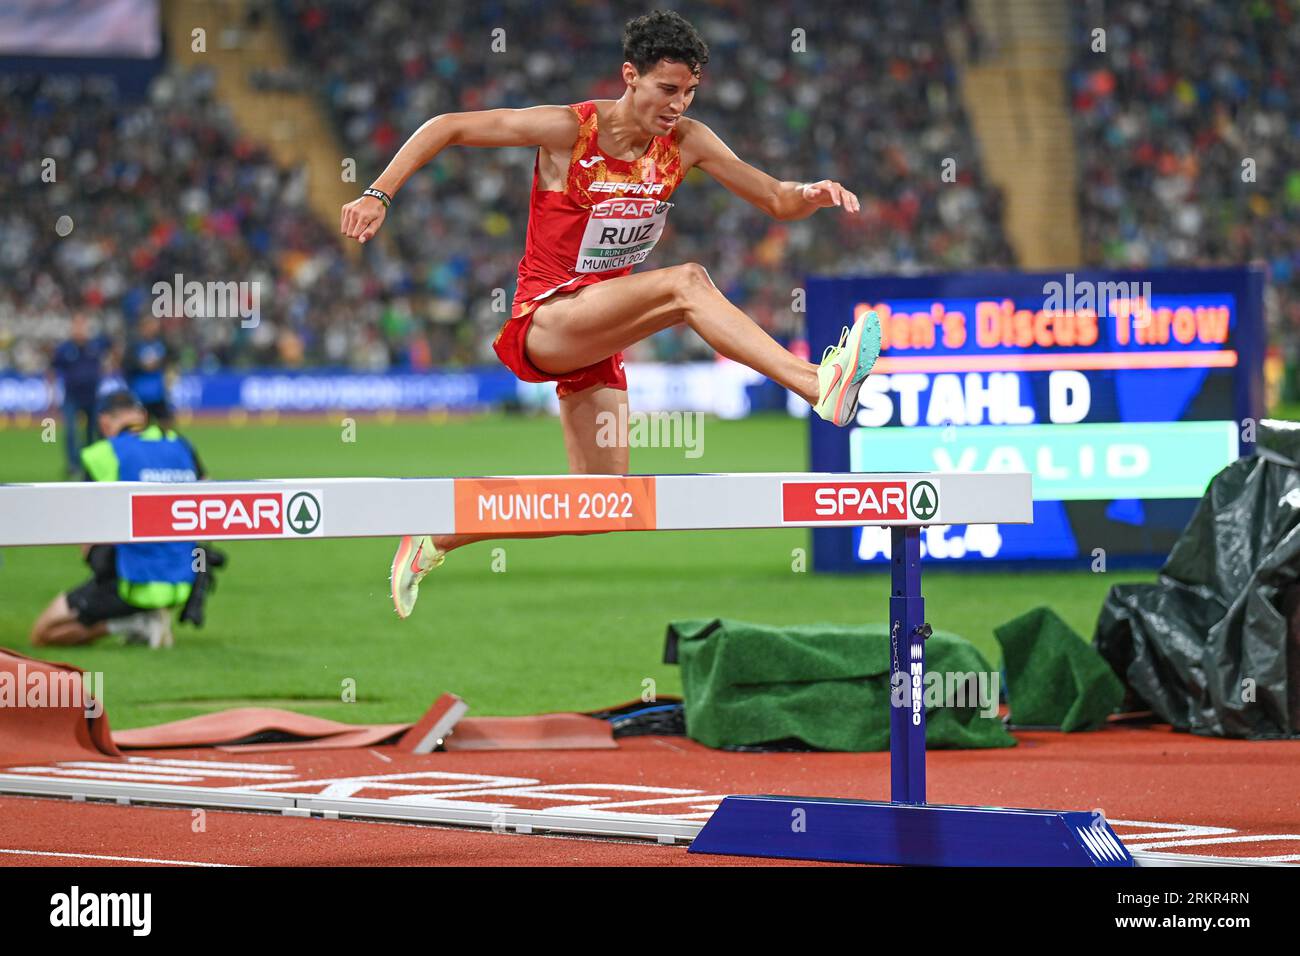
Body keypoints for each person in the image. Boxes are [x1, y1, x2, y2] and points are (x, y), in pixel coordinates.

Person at [339, 10, 881, 619]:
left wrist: (808, 194)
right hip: (546, 318)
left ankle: (437, 535)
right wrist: (378, 192)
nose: (679, 105)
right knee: (687, 283)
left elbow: (777, 199)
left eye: (690, 92)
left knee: (601, 502)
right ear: (631, 76)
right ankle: (816, 384)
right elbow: (449, 127)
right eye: (667, 89)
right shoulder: (569, 130)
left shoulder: (688, 143)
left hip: (597, 334)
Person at [29, 390, 205, 649]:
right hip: (184, 579)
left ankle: (133, 623)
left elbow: (84, 528)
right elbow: (209, 503)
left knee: (43, 634)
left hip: (132, 581)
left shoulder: (102, 454)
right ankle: (145, 618)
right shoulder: (182, 445)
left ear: (103, 422)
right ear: (142, 416)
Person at [48, 313, 109, 478]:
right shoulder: (64, 349)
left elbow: (107, 360)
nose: (80, 330)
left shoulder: (95, 346)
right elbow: (52, 370)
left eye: (82, 325)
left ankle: (88, 462)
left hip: (92, 396)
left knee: (91, 432)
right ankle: (73, 464)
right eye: (77, 326)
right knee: (71, 431)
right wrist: (52, 395)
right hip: (72, 397)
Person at [122, 315, 176, 428]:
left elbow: (172, 360)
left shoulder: (162, 343)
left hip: (158, 394)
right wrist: (142, 366)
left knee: (167, 427)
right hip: (140, 395)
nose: (152, 328)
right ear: (142, 327)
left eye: (154, 325)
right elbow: (127, 365)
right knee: (139, 429)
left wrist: (161, 365)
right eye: (148, 325)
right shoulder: (134, 346)